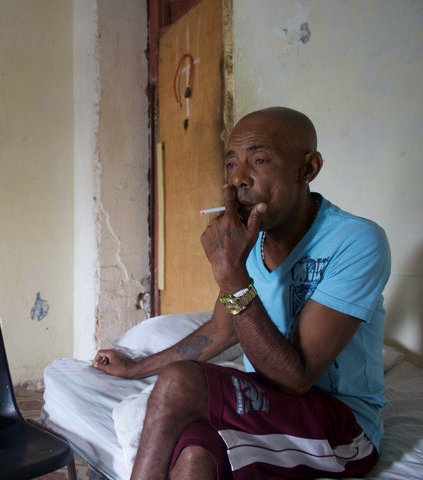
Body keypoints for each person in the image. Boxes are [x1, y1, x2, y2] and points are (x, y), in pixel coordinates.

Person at [93, 107, 391, 479]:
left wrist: (231, 274)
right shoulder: (252, 241)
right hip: (267, 408)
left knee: (181, 382)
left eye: (260, 160)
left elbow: (296, 380)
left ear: (308, 168)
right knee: (194, 456)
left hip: (342, 428)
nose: (239, 180)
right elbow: (220, 332)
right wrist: (137, 368)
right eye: (232, 164)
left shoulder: (355, 240)